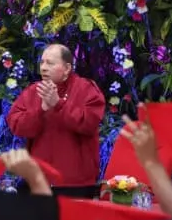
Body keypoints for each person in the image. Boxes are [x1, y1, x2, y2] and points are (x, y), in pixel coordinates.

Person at [6, 44, 105, 189]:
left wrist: (58, 104)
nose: (43, 68)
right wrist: (41, 110)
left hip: (76, 184)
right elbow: (16, 125)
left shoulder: (87, 90)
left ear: (67, 68)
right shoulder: (33, 91)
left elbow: (89, 123)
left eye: (50, 63)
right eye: (42, 62)